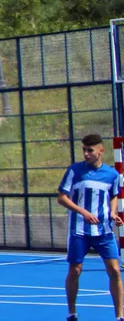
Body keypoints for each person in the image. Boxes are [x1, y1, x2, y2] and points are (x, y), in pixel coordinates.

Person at [59, 133, 124, 321]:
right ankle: (72, 312)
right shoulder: (75, 171)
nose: (86, 154)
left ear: (100, 151)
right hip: (79, 230)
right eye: (84, 150)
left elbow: (113, 196)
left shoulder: (111, 174)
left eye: (90, 150)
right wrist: (83, 212)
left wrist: (113, 213)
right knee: (75, 270)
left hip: (104, 231)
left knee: (114, 270)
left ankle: (119, 316)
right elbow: (62, 197)